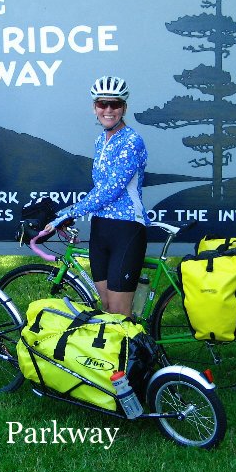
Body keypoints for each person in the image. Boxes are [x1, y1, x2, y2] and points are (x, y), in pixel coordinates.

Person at [45, 75, 150, 317]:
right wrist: (67, 214)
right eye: (103, 104)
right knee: (106, 309)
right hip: (101, 228)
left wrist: (69, 212)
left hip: (126, 229)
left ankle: (137, 353)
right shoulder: (100, 140)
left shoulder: (132, 140)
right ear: (95, 108)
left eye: (115, 104)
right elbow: (99, 188)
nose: (109, 110)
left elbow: (111, 189)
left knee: (120, 313)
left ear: (124, 108)